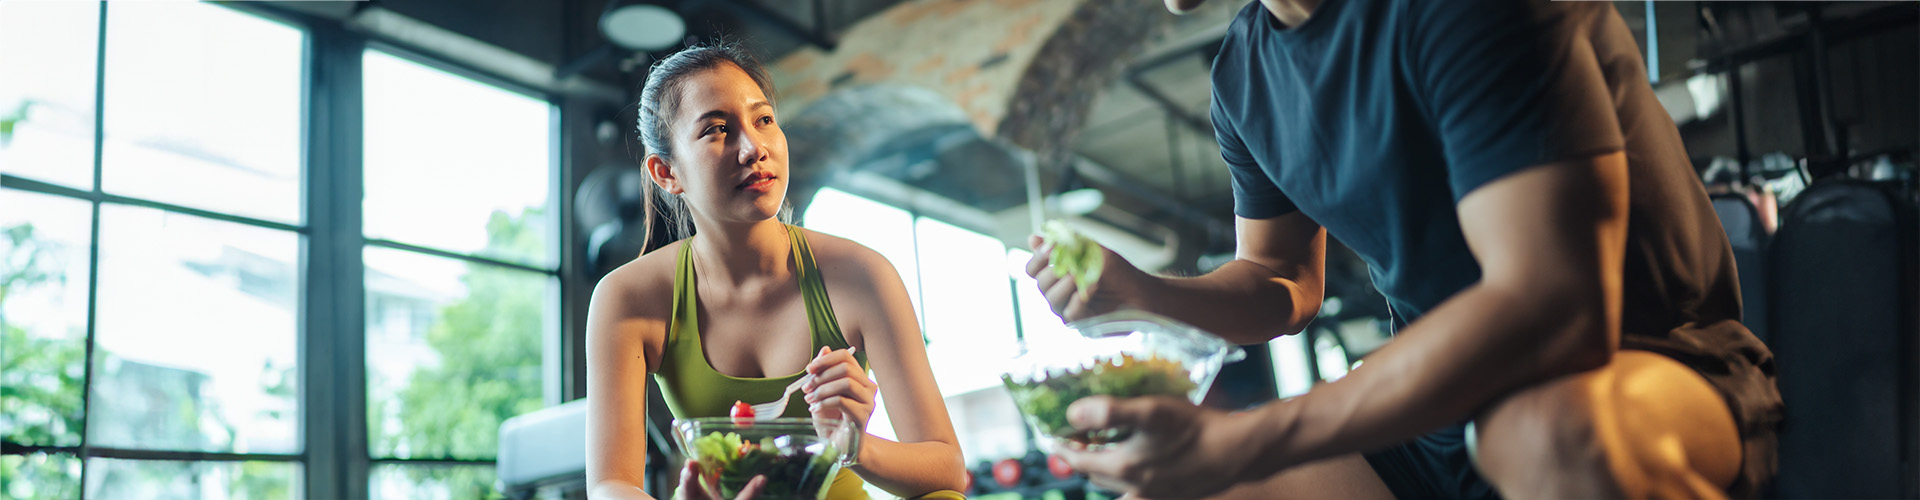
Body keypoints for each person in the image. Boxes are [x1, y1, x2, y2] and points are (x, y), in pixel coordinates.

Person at [1027, 0, 1782, 499]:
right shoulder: (1243, 78)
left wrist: (1248, 438)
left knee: (1546, 431)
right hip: (1443, 410)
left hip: (1648, 364)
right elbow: (1280, 278)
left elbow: (1553, 311)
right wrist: (1140, 295)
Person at [586, 41, 968, 500]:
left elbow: (946, 468)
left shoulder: (862, 274)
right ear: (666, 172)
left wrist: (852, 445)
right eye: (717, 129)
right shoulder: (627, 297)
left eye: (763, 120)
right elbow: (610, 484)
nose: (754, 147)